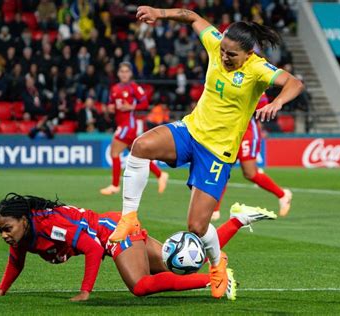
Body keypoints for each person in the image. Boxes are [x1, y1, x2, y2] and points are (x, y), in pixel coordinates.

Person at [109, 6, 303, 299]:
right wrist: (158, 13)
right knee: (140, 146)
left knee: (197, 226)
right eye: (223, 49)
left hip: (217, 154)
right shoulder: (216, 43)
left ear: (249, 54)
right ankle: (129, 218)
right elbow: (191, 16)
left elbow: (294, 83)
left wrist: (277, 103)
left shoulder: (258, 69)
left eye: (231, 54)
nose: (224, 56)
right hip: (190, 132)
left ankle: (217, 264)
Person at [0, 193, 276, 300]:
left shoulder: (48, 226)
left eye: (7, 228)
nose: (5, 235)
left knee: (140, 286)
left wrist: (86, 291)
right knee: (185, 262)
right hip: (116, 228)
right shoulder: (25, 233)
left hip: (114, 234)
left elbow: (93, 249)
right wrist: (2, 289)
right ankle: (237, 220)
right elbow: (16, 261)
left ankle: (217, 280)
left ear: (23, 219)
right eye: (1, 231)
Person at [212, 93, 292, 221]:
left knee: (250, 173)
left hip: (247, 132)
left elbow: (263, 105)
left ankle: (283, 195)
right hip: (229, 132)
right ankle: (215, 210)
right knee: (222, 170)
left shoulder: (253, 81)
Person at [100, 62, 169, 196]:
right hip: (121, 123)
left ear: (130, 73)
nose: (124, 74)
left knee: (114, 152)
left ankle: (115, 186)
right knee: (138, 154)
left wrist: (131, 107)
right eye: (122, 71)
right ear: (118, 73)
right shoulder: (114, 88)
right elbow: (111, 104)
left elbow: (145, 103)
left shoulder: (134, 87)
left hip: (128, 125)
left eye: (127, 71)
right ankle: (161, 174)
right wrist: (110, 108)